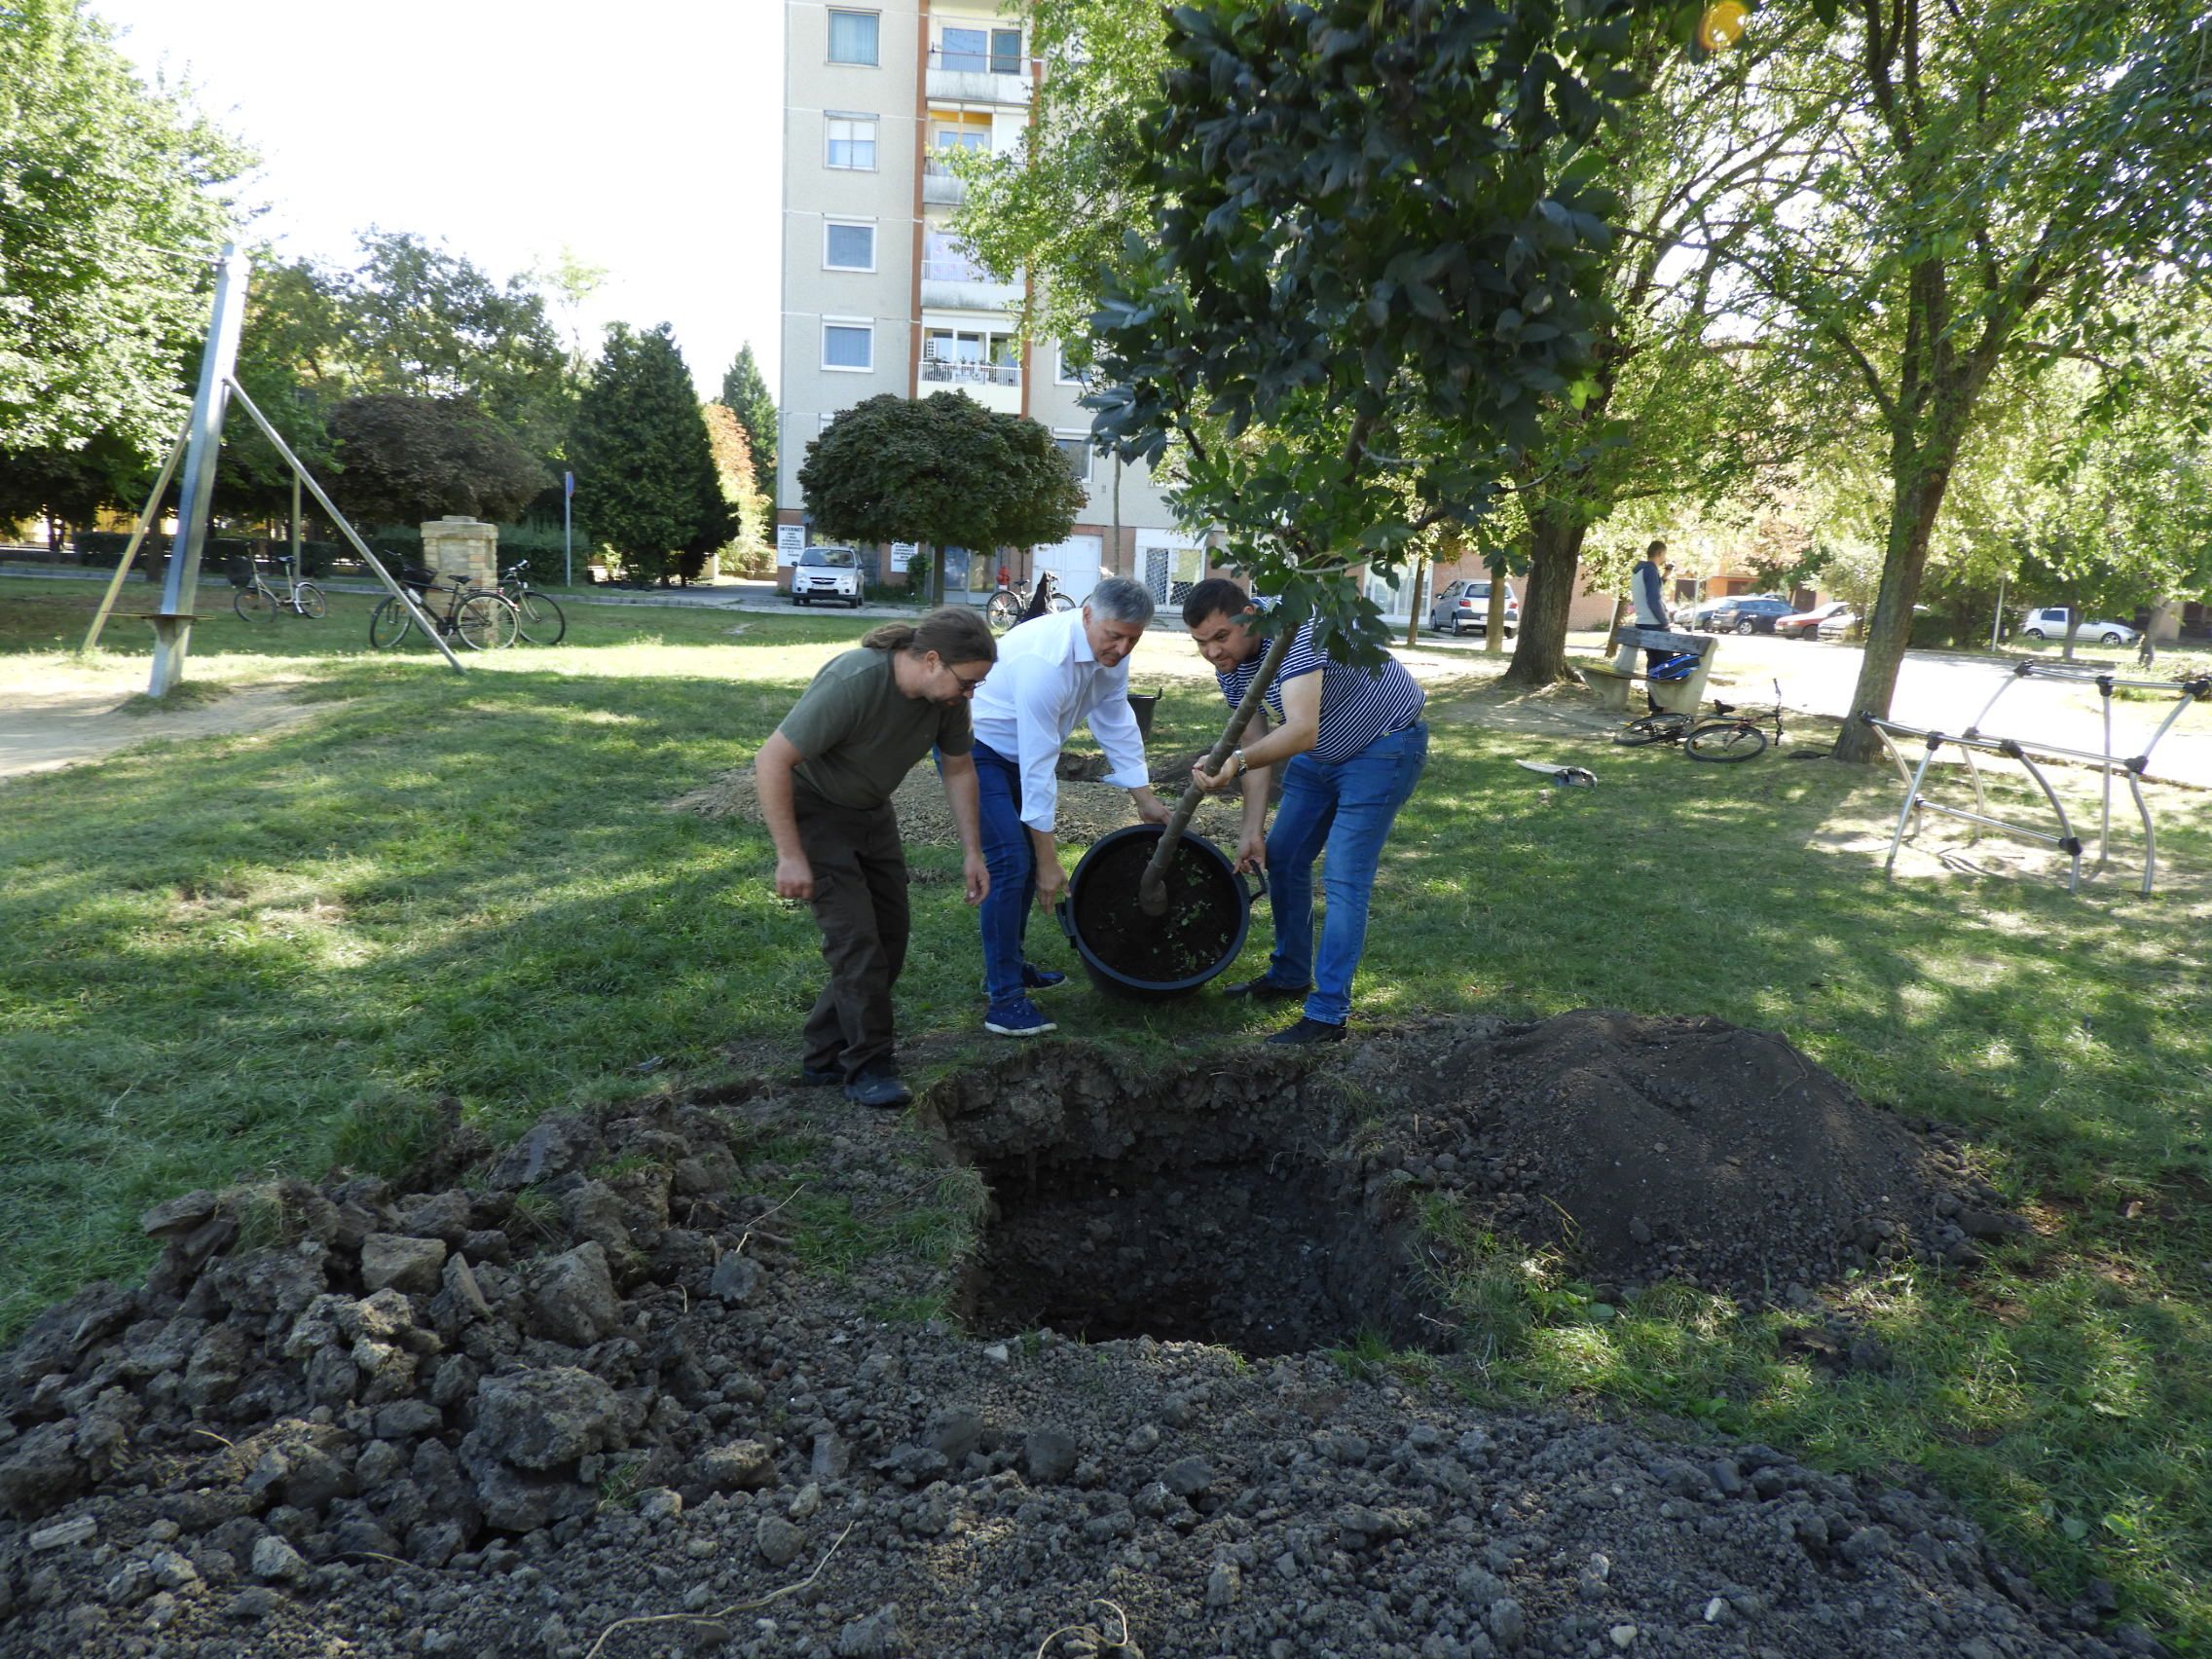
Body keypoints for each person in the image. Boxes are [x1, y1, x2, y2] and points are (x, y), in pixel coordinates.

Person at [754, 608, 997, 1107]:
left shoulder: (946, 699)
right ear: (932, 660)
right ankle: (870, 1065)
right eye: (968, 682)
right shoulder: (856, 679)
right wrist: (790, 855)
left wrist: (973, 852)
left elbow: (958, 770)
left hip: (871, 812)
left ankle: (824, 1054)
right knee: (856, 942)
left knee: (888, 940)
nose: (970, 694)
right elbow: (771, 759)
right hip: (815, 811)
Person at [1183, 577, 1428, 1046]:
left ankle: (1328, 1013)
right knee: (1283, 855)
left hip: (1385, 744)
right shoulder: (1231, 663)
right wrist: (1250, 830)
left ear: (1250, 615)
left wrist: (1233, 764)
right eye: (1201, 643)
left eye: (1221, 637)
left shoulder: (1296, 627)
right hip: (1322, 757)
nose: (1213, 652)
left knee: (1343, 876)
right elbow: (1255, 743)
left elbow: (1300, 731)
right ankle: (1290, 974)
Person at [968, 575, 1172, 1037]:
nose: (1120, 648)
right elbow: (1040, 766)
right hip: (978, 749)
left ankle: (1009, 965)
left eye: (1132, 639)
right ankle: (1003, 1001)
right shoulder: (1047, 663)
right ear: (1085, 616)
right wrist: (1048, 860)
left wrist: (1143, 796)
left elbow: (1114, 714)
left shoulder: (1112, 655)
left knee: (1018, 862)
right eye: (1113, 636)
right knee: (1012, 863)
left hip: (1020, 753)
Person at [1632, 539, 1673, 713]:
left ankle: (1655, 706)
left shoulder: (1640, 570)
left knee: (1654, 664)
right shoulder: (1650, 570)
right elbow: (1653, 599)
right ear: (1660, 554)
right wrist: (1664, 622)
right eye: (1664, 555)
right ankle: (1662, 706)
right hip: (1654, 624)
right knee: (1665, 665)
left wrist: (1665, 576)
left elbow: (1651, 589)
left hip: (1643, 622)